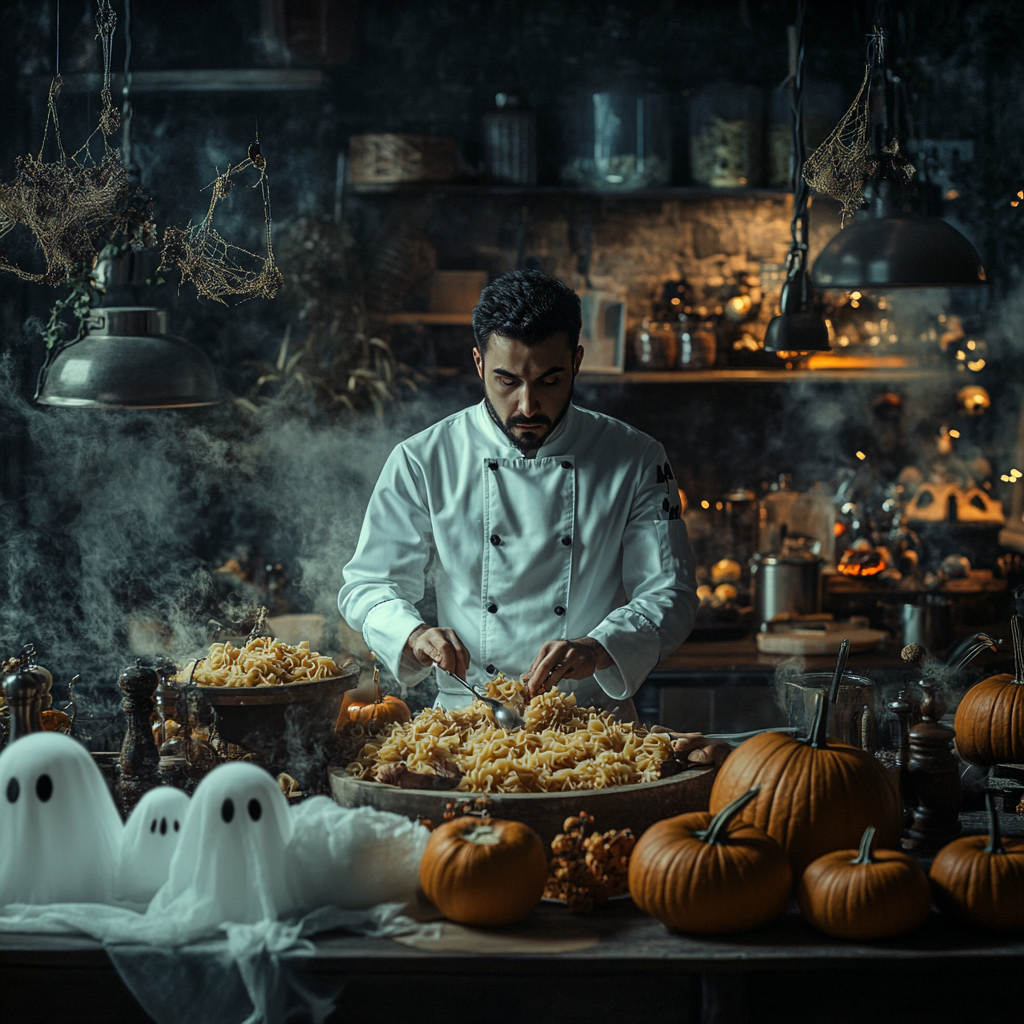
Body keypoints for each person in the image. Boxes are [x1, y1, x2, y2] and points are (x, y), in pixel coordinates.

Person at [338, 269, 698, 721]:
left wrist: (599, 646)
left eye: (549, 381)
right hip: (463, 719)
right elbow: (369, 584)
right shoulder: (422, 458)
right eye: (507, 381)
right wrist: (413, 634)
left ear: (577, 363)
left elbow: (671, 591)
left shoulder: (637, 457)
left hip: (593, 724)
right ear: (478, 364)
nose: (528, 406)